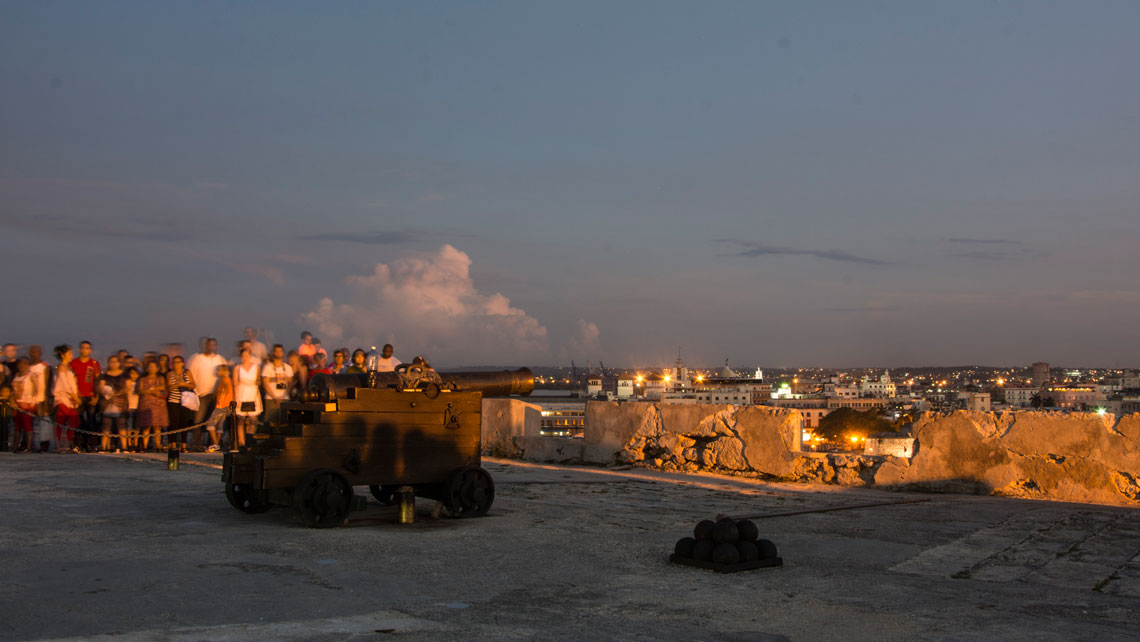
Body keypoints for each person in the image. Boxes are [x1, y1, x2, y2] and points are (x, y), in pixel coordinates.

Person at [187, 338, 227, 450]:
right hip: (200, 394)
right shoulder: (195, 358)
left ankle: (212, 444)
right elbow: (189, 374)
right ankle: (196, 444)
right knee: (198, 420)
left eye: (213, 345)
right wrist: (194, 391)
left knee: (214, 421)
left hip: (216, 395)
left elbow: (224, 376)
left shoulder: (220, 359)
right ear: (205, 345)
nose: (211, 347)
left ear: (216, 346)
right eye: (209, 345)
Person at [69, 341, 101, 452]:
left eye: (87, 348)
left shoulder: (94, 363)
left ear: (90, 350)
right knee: (78, 421)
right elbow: (70, 380)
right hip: (78, 396)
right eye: (83, 348)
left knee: (92, 421)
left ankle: (92, 444)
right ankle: (78, 444)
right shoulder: (73, 363)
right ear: (80, 349)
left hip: (91, 396)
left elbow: (97, 380)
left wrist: (97, 396)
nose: (85, 350)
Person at [52, 345, 80, 453]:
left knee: (70, 423)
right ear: (63, 355)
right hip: (63, 399)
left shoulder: (68, 367)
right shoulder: (62, 368)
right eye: (69, 353)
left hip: (70, 400)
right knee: (62, 423)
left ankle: (66, 445)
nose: (71, 355)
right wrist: (76, 398)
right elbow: (64, 386)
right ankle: (61, 446)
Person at [232, 347, 262, 448]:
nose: (245, 358)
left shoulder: (256, 367)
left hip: (253, 393)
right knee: (240, 420)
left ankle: (249, 438)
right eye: (243, 356)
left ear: (250, 356)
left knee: (253, 420)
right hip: (241, 393)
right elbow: (235, 383)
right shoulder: (237, 367)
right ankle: (241, 443)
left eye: (247, 355)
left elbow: (258, 380)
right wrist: (237, 399)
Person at [165, 356, 196, 452]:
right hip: (174, 400)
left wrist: (184, 384)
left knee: (184, 422)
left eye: (178, 362)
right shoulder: (170, 374)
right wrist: (176, 385)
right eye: (174, 362)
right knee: (173, 422)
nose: (176, 364)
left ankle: (184, 444)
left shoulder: (187, 372)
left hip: (186, 401)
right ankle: (173, 443)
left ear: (182, 363)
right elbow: (168, 388)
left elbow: (193, 385)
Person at [97, 355, 127, 453]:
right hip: (107, 402)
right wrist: (109, 394)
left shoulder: (124, 375)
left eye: (115, 361)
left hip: (121, 402)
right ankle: (104, 447)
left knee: (121, 425)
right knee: (106, 425)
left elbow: (127, 388)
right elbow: (101, 388)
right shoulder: (104, 375)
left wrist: (117, 394)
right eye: (111, 362)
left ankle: (124, 447)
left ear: (119, 363)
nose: (113, 364)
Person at [137, 360, 168, 452]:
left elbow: (163, 387)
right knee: (146, 426)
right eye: (150, 367)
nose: (152, 369)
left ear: (157, 368)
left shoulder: (161, 378)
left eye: (154, 366)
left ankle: (158, 446)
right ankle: (145, 447)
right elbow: (141, 391)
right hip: (146, 404)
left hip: (158, 404)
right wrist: (153, 392)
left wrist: (151, 390)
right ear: (146, 369)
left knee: (157, 427)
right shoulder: (143, 379)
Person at [260, 344, 293, 430]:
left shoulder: (288, 367)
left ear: (283, 353)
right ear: (273, 352)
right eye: (276, 351)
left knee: (284, 421)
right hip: (270, 398)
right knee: (269, 421)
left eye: (280, 351)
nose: (278, 353)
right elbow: (265, 383)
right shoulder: (267, 367)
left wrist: (284, 395)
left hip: (284, 398)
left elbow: (290, 383)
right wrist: (274, 396)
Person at [11, 358, 38, 452]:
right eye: (20, 364)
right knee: (17, 427)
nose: (22, 366)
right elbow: (13, 391)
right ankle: (14, 447)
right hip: (17, 405)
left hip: (27, 404)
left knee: (28, 427)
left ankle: (29, 447)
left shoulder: (30, 376)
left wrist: (32, 402)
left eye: (25, 364)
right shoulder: (16, 376)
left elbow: (36, 390)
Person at [206, 363, 233, 452]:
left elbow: (224, 395)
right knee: (220, 426)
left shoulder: (225, 380)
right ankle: (216, 444)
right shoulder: (226, 380)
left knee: (210, 424)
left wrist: (221, 406)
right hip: (225, 406)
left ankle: (215, 444)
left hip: (221, 406)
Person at [124, 367, 141, 451]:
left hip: (138, 407)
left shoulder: (139, 383)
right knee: (129, 427)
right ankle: (129, 444)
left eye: (135, 373)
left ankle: (136, 443)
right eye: (132, 373)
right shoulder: (127, 383)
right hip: (129, 407)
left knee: (137, 428)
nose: (134, 375)